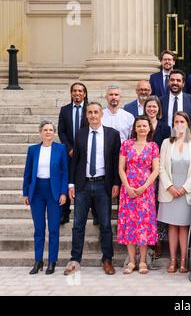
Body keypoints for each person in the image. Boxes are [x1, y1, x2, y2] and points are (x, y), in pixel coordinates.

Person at [64, 102, 121, 276]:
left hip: (103, 185)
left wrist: (116, 183)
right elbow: (75, 162)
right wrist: (71, 184)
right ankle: (75, 260)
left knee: (105, 224)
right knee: (78, 224)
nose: (93, 115)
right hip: (83, 185)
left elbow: (116, 160)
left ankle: (107, 260)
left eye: (96, 112)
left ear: (101, 114)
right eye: (90, 112)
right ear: (86, 115)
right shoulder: (80, 134)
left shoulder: (113, 134)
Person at [158, 112, 191, 273]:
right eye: (176, 121)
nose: (179, 124)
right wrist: (169, 186)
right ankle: (172, 260)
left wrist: (185, 188)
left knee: (184, 226)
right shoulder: (166, 143)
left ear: (188, 124)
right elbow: (161, 166)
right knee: (172, 226)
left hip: (187, 191)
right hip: (169, 190)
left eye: (182, 121)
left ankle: (184, 260)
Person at [23, 121, 68, 275]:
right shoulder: (33, 150)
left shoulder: (60, 149)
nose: (48, 132)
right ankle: (38, 261)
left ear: (54, 132)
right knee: (39, 229)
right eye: (45, 130)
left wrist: (63, 193)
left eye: (50, 130)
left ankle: (52, 261)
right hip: (36, 192)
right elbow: (27, 172)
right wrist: (25, 193)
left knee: (54, 229)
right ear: (40, 132)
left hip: (53, 191)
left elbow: (65, 173)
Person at [118, 116, 160, 274]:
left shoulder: (153, 146)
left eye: (144, 126)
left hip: (145, 190)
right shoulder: (126, 145)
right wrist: (127, 186)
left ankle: (142, 261)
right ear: (135, 128)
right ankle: (131, 261)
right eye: (139, 126)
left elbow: (156, 169)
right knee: (130, 224)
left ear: (149, 128)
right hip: (128, 190)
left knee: (143, 225)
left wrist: (143, 187)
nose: (142, 128)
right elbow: (121, 168)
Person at [57, 82, 89, 225]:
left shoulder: (90, 110)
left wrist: (82, 148)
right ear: (71, 94)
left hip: (87, 152)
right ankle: (65, 213)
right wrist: (69, 148)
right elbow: (61, 131)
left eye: (80, 91)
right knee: (67, 180)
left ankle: (94, 212)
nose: (77, 93)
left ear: (85, 94)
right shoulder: (65, 110)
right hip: (69, 153)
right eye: (74, 91)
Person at [143, 96, 171, 258]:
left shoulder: (165, 128)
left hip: (160, 172)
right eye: (149, 106)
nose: (151, 109)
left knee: (158, 208)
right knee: (147, 208)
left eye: (154, 107)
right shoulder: (139, 125)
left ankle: (158, 241)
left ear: (159, 109)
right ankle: (148, 241)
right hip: (143, 173)